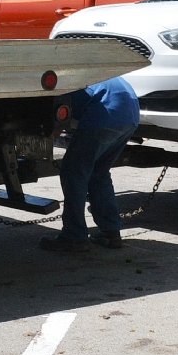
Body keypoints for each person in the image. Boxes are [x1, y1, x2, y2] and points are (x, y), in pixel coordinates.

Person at [40, 76, 140, 254]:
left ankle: (74, 236)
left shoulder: (56, 84)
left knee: (73, 173)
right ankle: (110, 233)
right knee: (99, 172)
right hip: (130, 114)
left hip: (105, 115)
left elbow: (54, 129)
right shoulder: (88, 72)